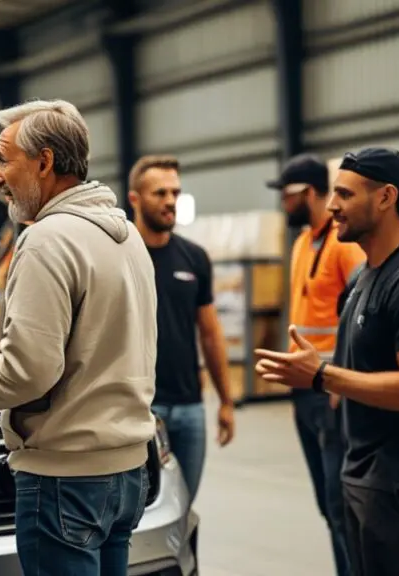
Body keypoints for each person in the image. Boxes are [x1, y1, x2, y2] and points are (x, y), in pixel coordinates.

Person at [0, 99, 157, 576]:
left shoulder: (48, 238)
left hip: (66, 481)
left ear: (44, 162)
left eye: (4, 159)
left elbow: (28, 372)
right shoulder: (126, 236)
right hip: (129, 472)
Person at [254, 147, 399, 576]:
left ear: (386, 197)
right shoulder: (362, 277)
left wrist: (324, 376)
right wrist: (330, 378)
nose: (331, 206)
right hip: (361, 471)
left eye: (345, 195)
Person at [265, 153, 363, 576]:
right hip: (305, 391)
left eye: (286, 197)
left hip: (333, 390)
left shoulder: (346, 245)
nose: (282, 206)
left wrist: (343, 383)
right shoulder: (303, 242)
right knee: (327, 504)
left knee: (341, 503)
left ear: (306, 193)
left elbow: (362, 317)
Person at [127, 154, 235, 502]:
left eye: (175, 192)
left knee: (184, 509)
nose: (170, 201)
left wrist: (226, 401)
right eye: (160, 193)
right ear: (135, 199)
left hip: (189, 406)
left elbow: (209, 332)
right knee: (136, 512)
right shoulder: (119, 255)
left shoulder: (194, 257)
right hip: (138, 407)